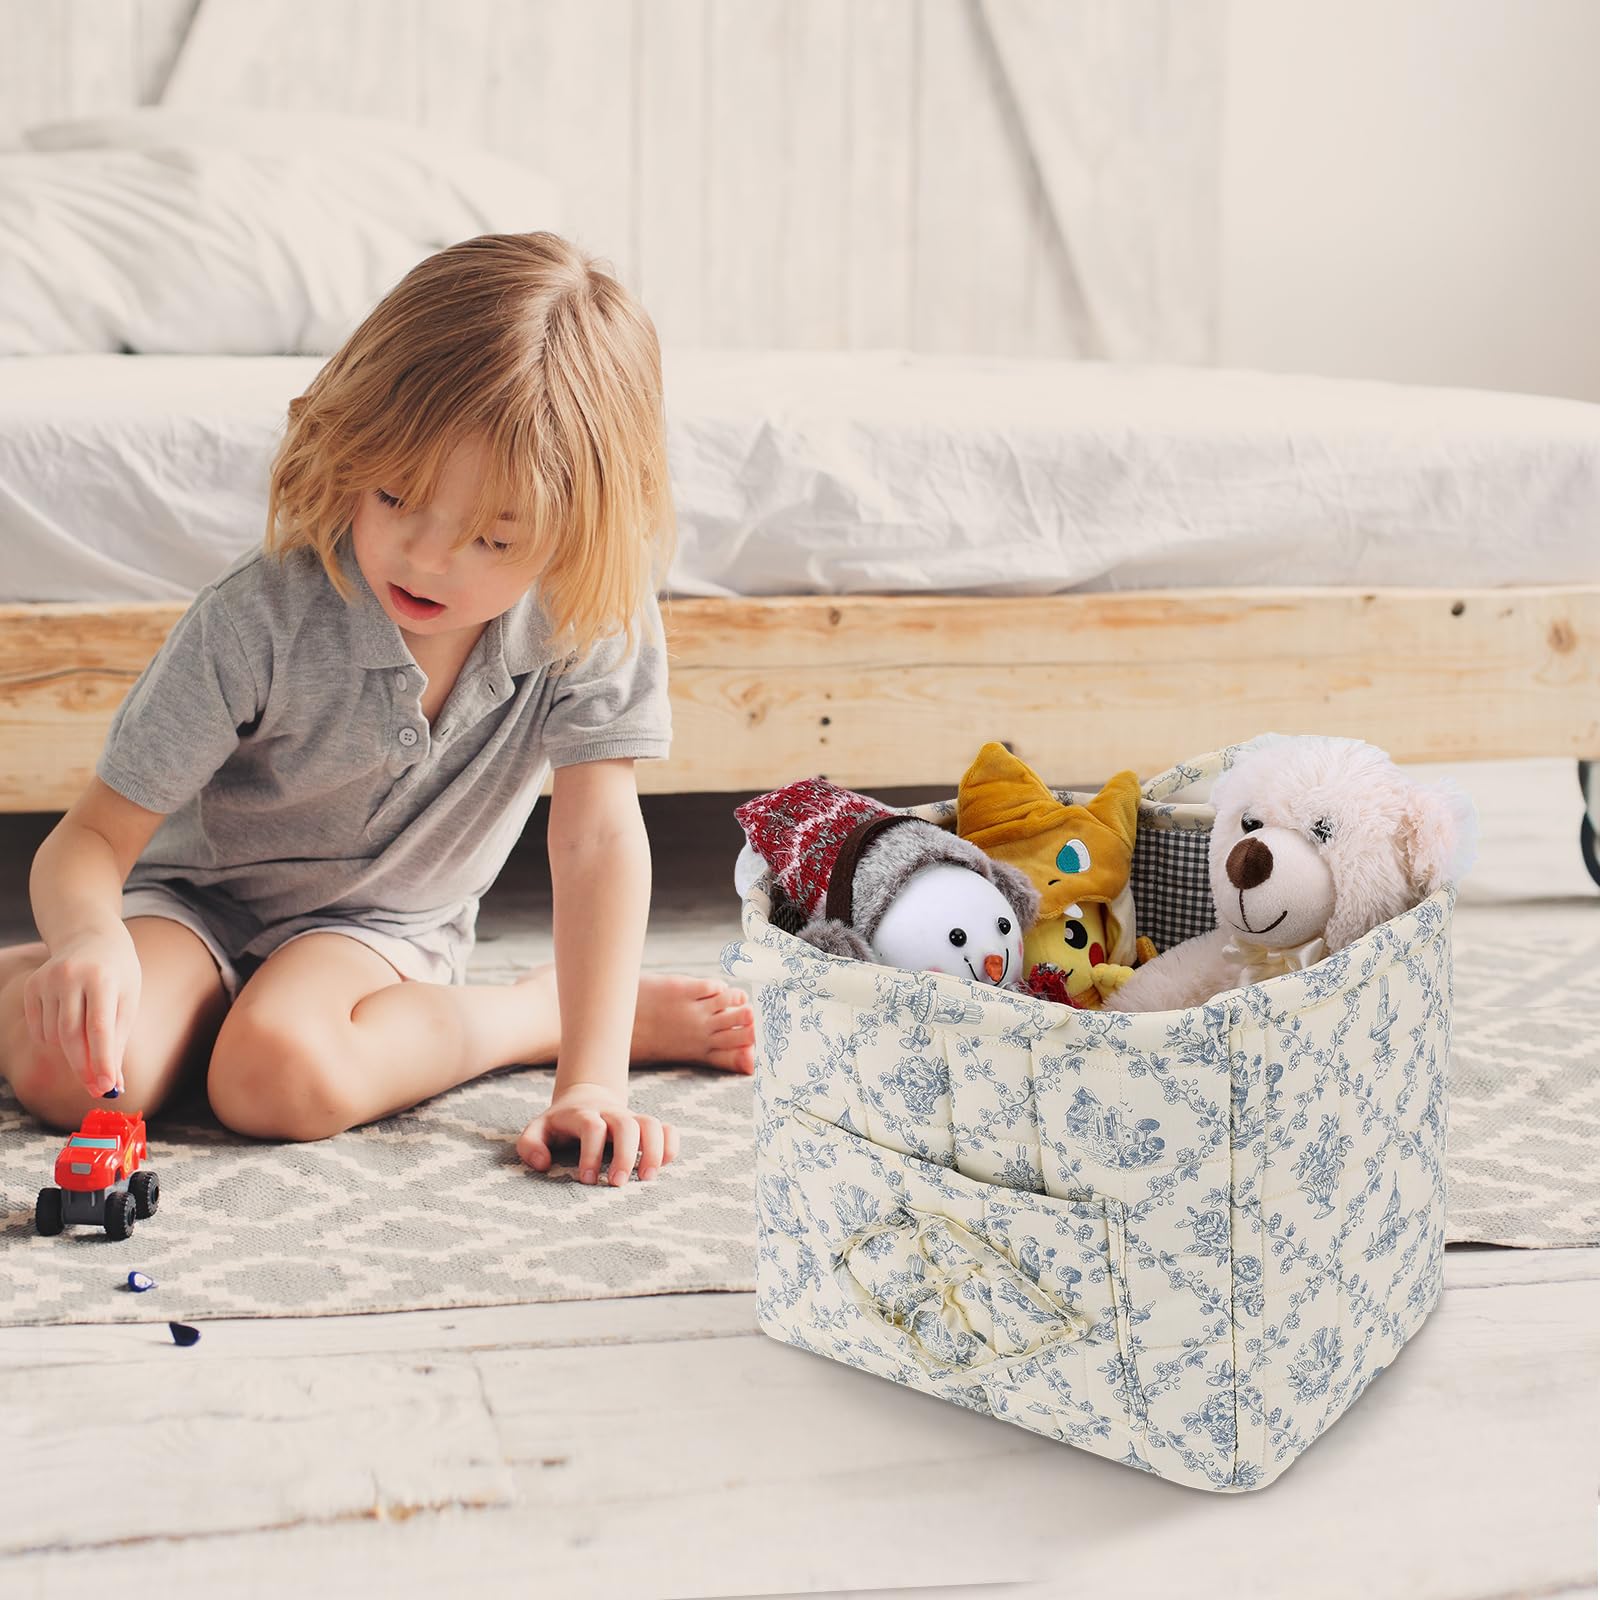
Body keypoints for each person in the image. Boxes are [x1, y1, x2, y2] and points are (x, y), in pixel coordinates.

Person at [0, 231, 755, 1187]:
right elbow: (89, 843)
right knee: (79, 1078)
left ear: (575, 533)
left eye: (491, 536)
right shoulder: (261, 613)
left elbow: (598, 842)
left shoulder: (592, 609)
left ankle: (537, 1013)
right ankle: (66, 977)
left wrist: (593, 1077)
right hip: (195, 902)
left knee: (274, 1082)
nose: (427, 558)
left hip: (382, 931)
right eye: (396, 496)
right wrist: (91, 937)